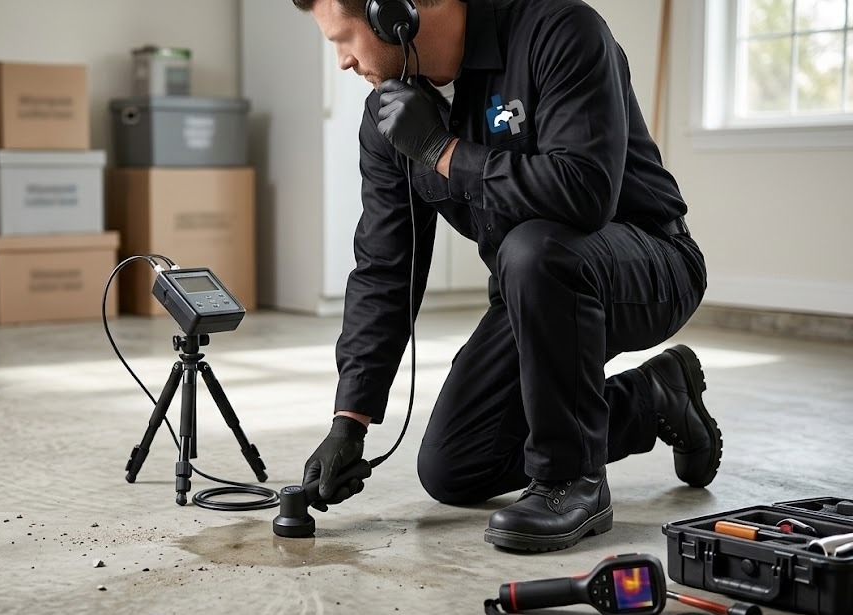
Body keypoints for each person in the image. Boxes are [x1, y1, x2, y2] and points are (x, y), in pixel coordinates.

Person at [293, 0, 722, 552]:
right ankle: (654, 397)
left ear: (393, 10)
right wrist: (349, 420)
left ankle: (572, 481)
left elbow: (584, 192)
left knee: (533, 251)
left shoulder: (560, 31)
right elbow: (385, 268)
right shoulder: (389, 118)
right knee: (455, 466)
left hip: (651, 263)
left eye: (343, 39)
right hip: (532, 290)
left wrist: (443, 151)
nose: (343, 61)